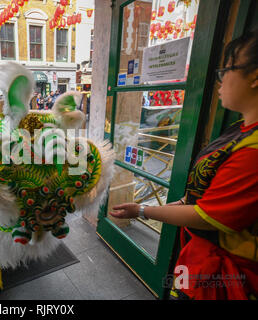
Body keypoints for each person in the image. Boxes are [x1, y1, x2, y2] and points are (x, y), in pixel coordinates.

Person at [109, 30, 258, 300]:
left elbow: (206, 215)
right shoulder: (241, 129)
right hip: (202, 260)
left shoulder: (253, 152)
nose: (220, 81)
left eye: (227, 69)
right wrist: (156, 208)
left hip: (229, 278)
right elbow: (201, 198)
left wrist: (143, 210)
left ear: (255, 76)